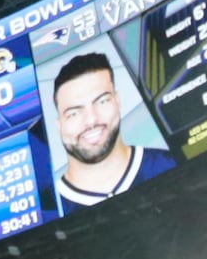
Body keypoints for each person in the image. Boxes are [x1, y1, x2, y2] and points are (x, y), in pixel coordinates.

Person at [44, 56, 169, 213]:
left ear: (117, 101)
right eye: (74, 113)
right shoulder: (47, 209)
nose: (91, 120)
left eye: (102, 101)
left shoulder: (168, 164)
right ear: (59, 125)